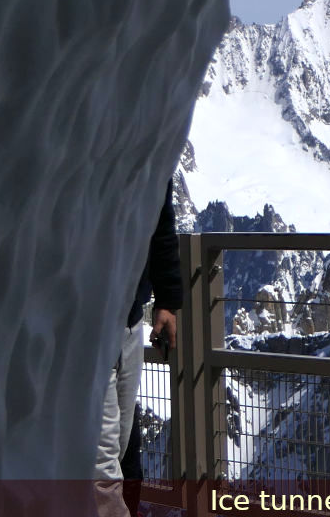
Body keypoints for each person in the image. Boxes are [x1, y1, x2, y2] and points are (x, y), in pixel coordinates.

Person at [97, 182, 182, 517]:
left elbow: (162, 225)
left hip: (130, 320)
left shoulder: (146, 146)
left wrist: (167, 301)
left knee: (120, 444)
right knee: (102, 458)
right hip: (86, 326)